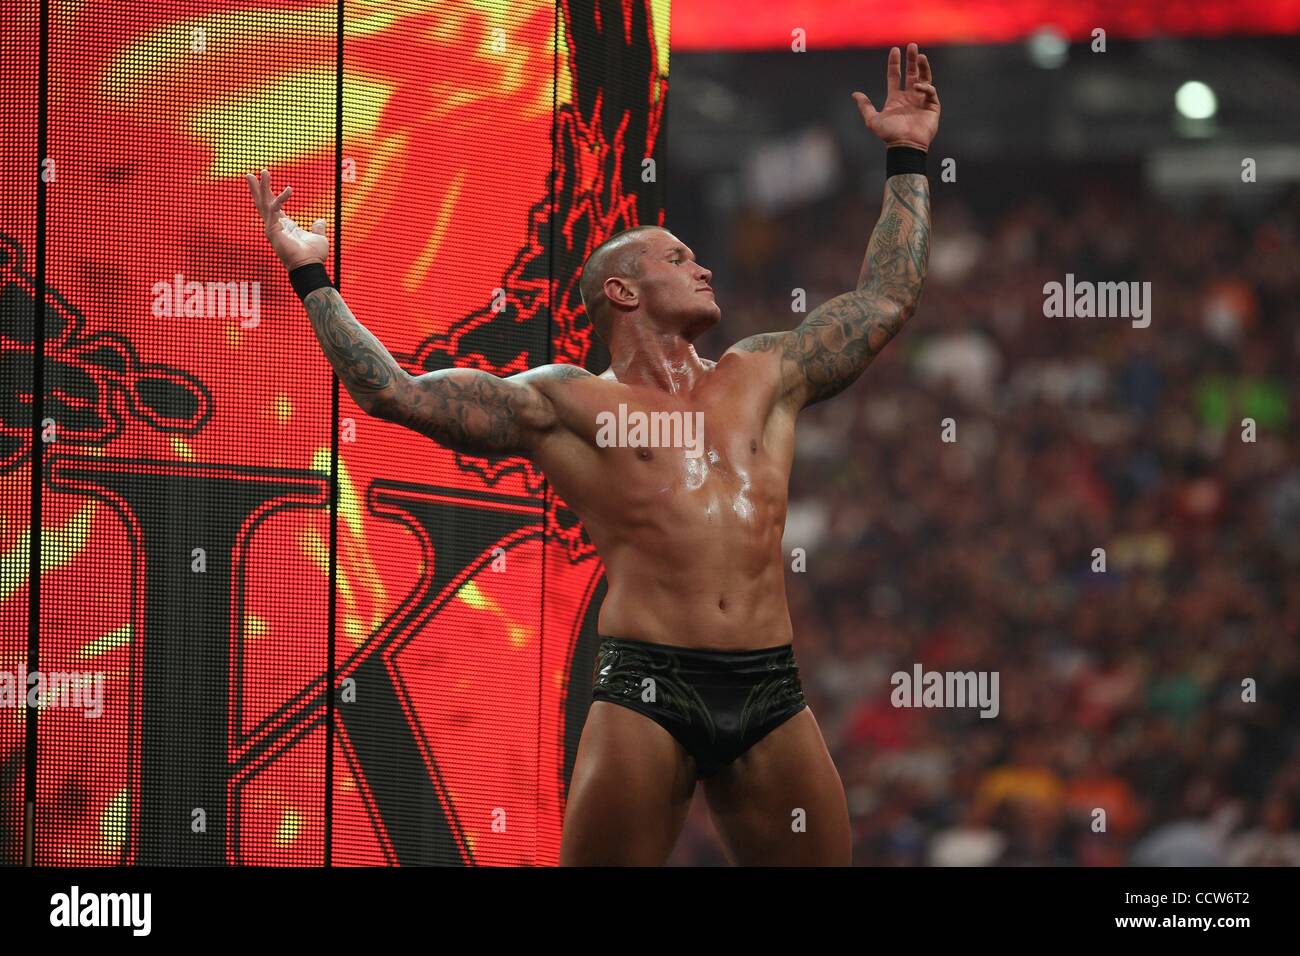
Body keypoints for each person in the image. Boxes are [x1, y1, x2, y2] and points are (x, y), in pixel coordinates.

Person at [247, 43, 940, 866]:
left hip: (771, 686)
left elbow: (885, 298)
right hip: (648, 688)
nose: (704, 265)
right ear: (622, 291)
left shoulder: (764, 374)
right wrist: (313, 276)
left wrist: (906, 156)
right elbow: (391, 393)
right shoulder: (569, 401)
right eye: (679, 259)